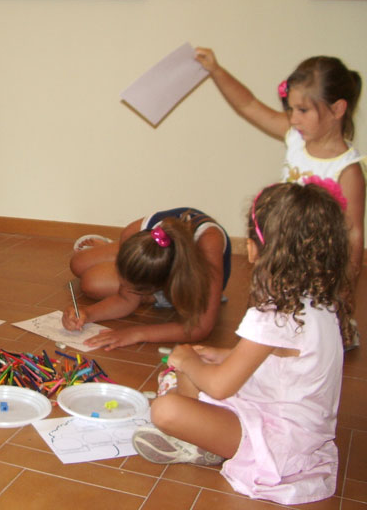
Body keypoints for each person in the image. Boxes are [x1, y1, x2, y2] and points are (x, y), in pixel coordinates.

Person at [131, 181, 353, 505]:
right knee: (195, 370)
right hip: (300, 428)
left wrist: (187, 359)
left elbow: (221, 387)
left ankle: (199, 444)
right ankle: (203, 434)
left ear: (253, 249)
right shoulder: (317, 302)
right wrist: (217, 355)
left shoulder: (274, 314)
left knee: (166, 408)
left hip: (281, 445)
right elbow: (277, 358)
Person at [195, 48, 364, 345]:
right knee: (270, 318)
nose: (293, 118)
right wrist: (216, 70)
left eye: (303, 110)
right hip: (282, 251)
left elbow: (352, 235)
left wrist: (345, 295)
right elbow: (248, 105)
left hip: (319, 262)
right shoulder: (294, 137)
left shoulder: (347, 170)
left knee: (314, 328)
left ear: (337, 110)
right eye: (291, 109)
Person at [63, 208, 231, 349]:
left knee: (92, 282)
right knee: (78, 263)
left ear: (158, 288)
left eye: (136, 290)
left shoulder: (209, 245)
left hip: (195, 280)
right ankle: (111, 246)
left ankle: (110, 251)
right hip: (164, 260)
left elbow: (200, 327)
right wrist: (87, 314)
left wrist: (136, 333)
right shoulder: (133, 231)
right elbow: (125, 298)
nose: (124, 287)